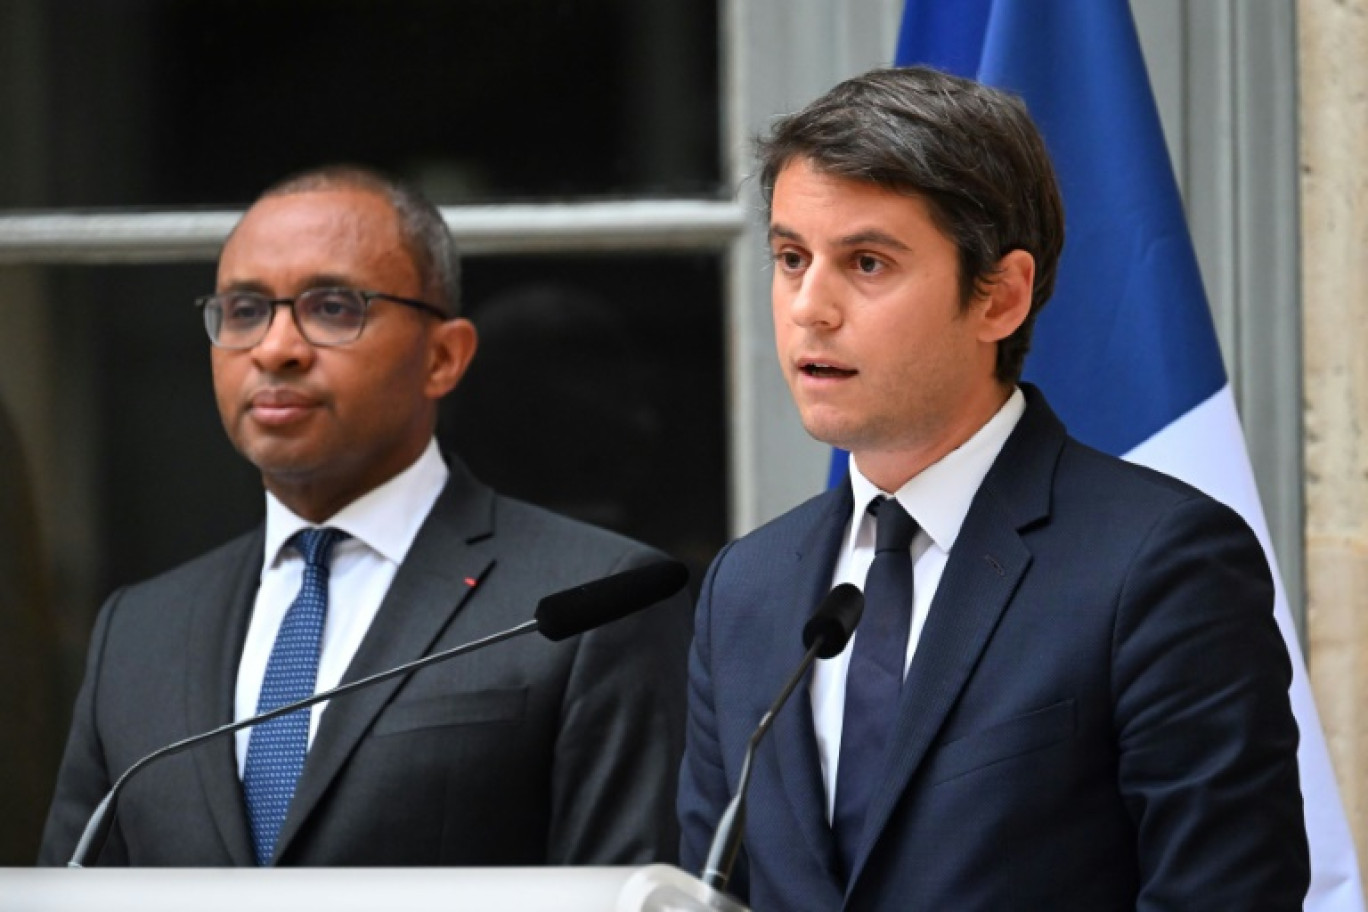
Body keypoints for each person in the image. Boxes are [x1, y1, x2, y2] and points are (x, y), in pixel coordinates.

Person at [677, 66, 1309, 910]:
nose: (809, 308)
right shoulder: (745, 589)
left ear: (1001, 297)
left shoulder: (1160, 564)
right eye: (791, 258)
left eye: (866, 262)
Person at [39, 165, 691, 867]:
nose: (275, 348)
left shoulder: (591, 602)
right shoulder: (139, 631)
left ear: (443, 357)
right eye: (244, 310)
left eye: (333, 308)